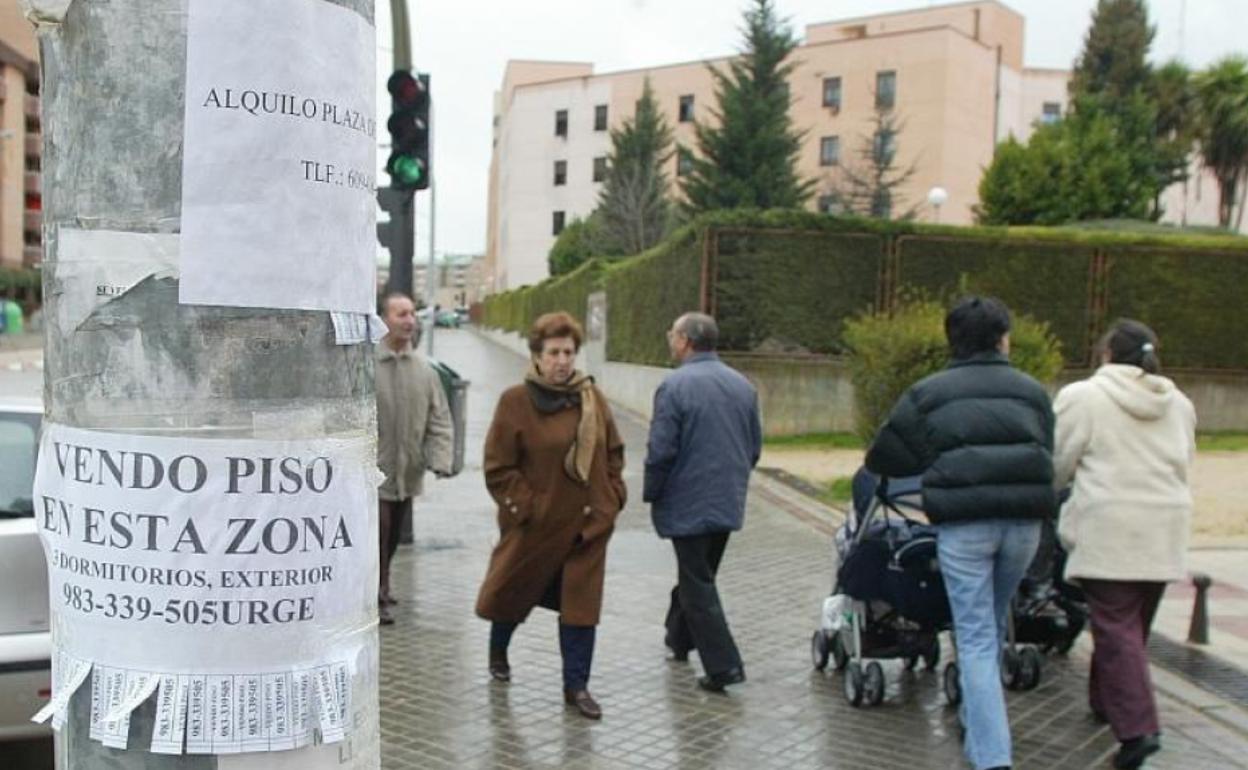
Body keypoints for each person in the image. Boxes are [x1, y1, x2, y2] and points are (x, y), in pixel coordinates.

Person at [865, 296, 1056, 770]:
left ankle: (992, 757)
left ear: (952, 340)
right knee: (989, 623)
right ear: (1002, 338)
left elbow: (884, 458)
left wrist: (933, 461)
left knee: (973, 636)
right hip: (1024, 525)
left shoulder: (928, 394)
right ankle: (976, 719)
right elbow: (1046, 446)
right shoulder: (1032, 391)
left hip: (965, 526)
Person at [1053, 320, 1196, 770]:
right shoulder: (1179, 403)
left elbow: (1060, 460)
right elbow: (1185, 460)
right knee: (1129, 629)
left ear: (1107, 355)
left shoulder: (1084, 397)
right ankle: (1105, 701)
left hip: (1110, 524)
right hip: (1165, 525)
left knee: (1115, 629)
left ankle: (1137, 730)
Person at [475, 311, 626, 720]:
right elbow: (498, 468)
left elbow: (612, 453)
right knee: (512, 594)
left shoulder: (592, 398)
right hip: (535, 529)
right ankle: (499, 650)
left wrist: (613, 497)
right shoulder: (516, 401)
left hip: (586, 528)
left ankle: (576, 686)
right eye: (554, 352)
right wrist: (529, 509)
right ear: (537, 356)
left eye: (569, 352)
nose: (562, 360)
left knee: (580, 609)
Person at [644, 312, 761, 693]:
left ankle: (724, 666)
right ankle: (678, 638)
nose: (669, 340)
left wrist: (653, 490)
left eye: (672, 334)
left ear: (685, 341)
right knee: (699, 574)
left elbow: (661, 449)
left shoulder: (674, 386)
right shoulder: (743, 385)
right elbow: (754, 447)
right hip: (728, 498)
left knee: (698, 584)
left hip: (689, 500)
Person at [376, 292, 454, 626]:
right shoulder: (366, 365)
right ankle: (374, 593)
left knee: (393, 537)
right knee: (378, 532)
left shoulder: (424, 370)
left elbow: (439, 418)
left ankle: (384, 581)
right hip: (373, 472)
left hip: (408, 471)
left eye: (411, 314)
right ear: (384, 320)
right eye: (400, 314)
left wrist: (440, 459)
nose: (409, 320)